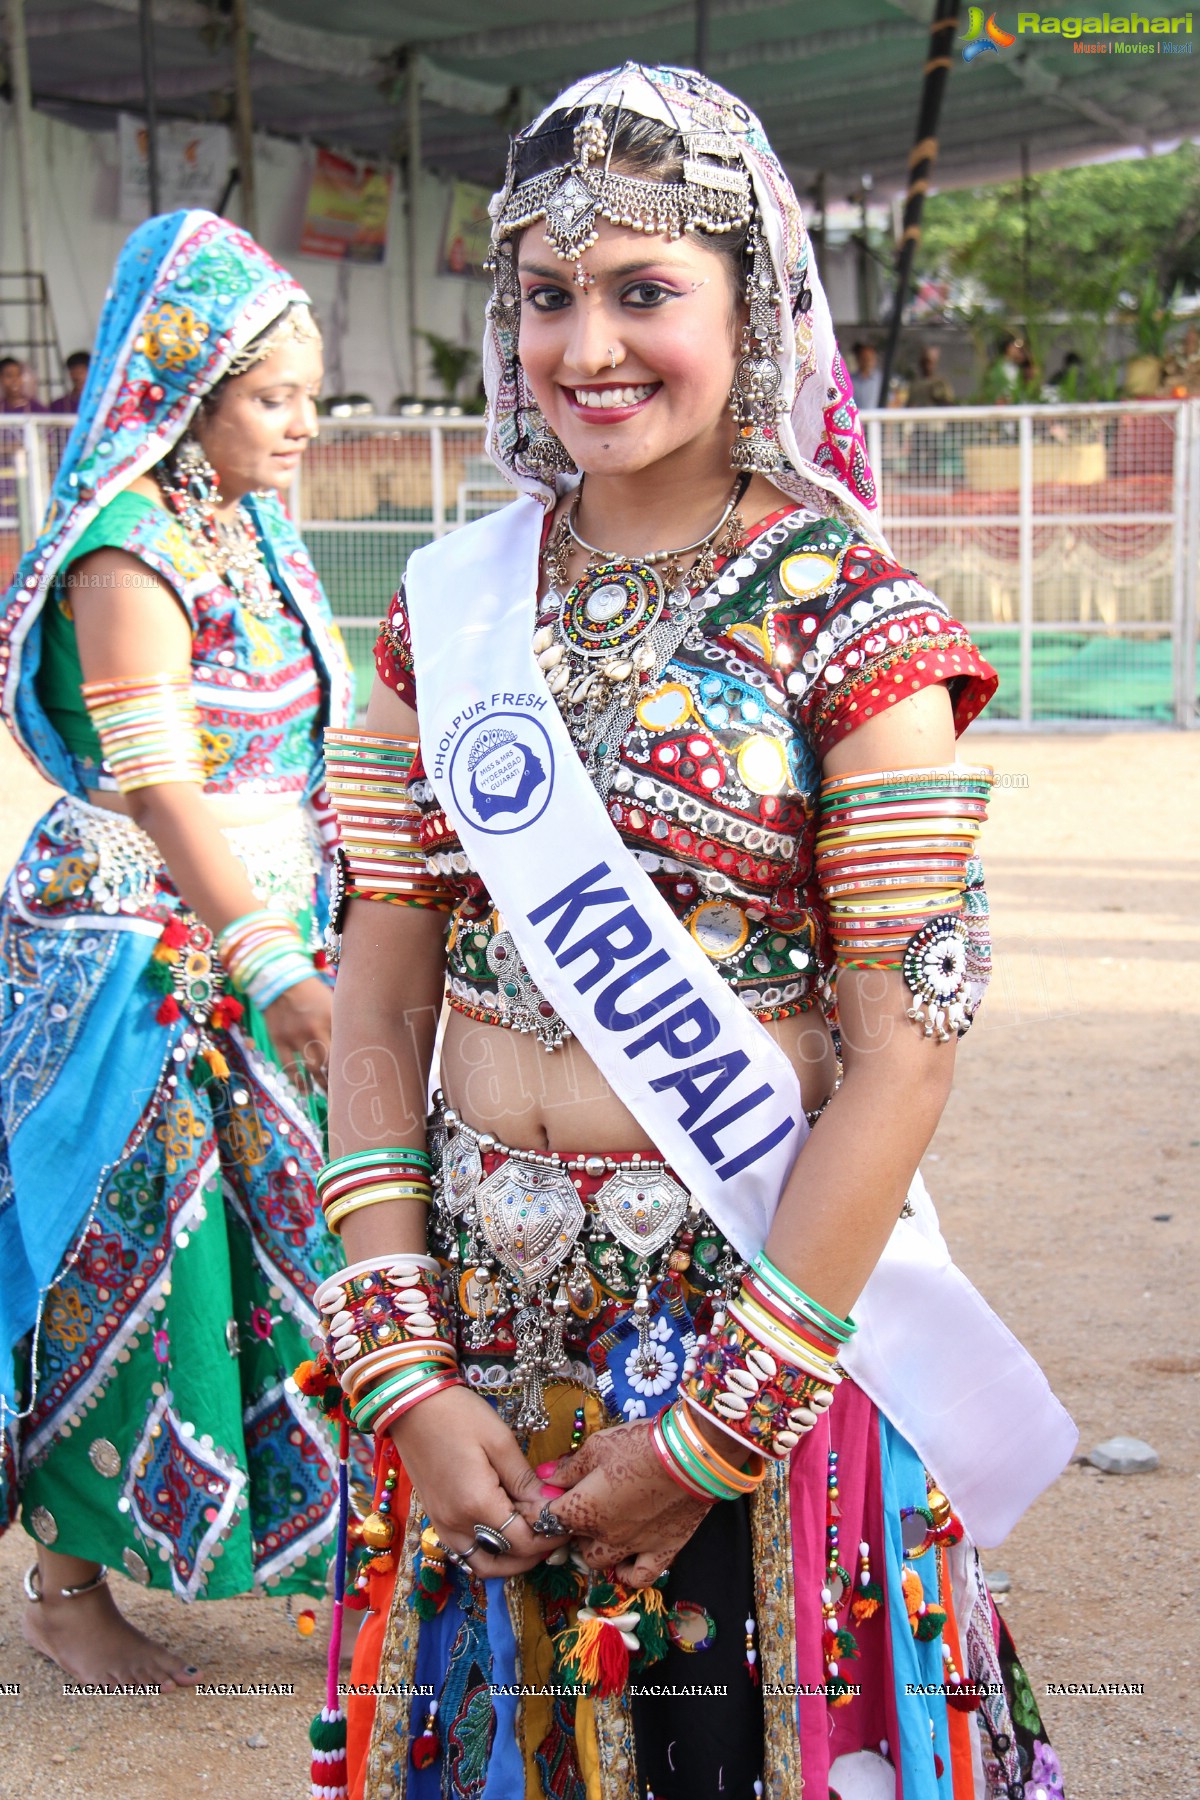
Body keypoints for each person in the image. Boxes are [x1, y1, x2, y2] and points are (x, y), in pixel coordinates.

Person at [323, 65, 1074, 1800]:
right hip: (477, 1345)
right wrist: (403, 1365)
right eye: (546, 293)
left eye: (644, 289)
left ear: (756, 308)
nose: (587, 342)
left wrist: (720, 1425)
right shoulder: (444, 622)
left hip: (753, 1321)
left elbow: (903, 1048)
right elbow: (377, 1000)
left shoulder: (858, 629)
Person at [0, 210, 355, 1690]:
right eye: (275, 398)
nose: (301, 429)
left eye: (310, 402)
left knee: (305, 1255)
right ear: (188, 388)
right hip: (152, 964)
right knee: (133, 1256)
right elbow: (159, 777)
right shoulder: (127, 551)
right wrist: (270, 964)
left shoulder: (252, 533)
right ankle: (68, 1588)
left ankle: (336, 1547)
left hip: (274, 934)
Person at [849, 339, 882, 411]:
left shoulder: (882, 380)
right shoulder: (849, 381)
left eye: (870, 358)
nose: (867, 361)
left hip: (876, 420)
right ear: (858, 359)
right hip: (856, 420)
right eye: (864, 358)